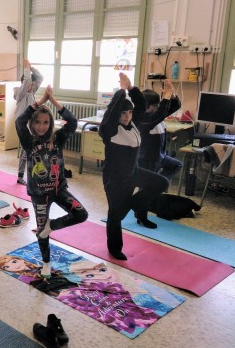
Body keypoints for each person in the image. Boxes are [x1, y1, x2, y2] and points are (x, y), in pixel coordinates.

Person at [15, 85, 88, 278]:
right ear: (32, 124)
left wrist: (53, 101)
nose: (41, 126)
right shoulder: (28, 141)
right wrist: (40, 101)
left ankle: (50, 226)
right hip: (39, 195)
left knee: (81, 214)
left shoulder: (58, 139)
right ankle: (46, 262)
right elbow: (20, 121)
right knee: (42, 232)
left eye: (46, 122)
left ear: (50, 123)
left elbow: (72, 122)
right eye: (37, 122)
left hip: (59, 190)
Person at [99, 73, 169, 260]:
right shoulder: (110, 130)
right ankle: (114, 249)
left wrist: (130, 87)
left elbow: (141, 104)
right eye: (123, 113)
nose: (127, 116)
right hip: (115, 179)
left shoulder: (134, 124)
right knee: (116, 215)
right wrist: (121, 91)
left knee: (161, 183)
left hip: (133, 172)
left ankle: (134, 204)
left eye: (129, 113)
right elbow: (111, 112)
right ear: (117, 114)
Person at [138, 80, 183, 182]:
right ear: (146, 105)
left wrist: (172, 96)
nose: (158, 107)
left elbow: (175, 106)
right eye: (155, 105)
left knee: (176, 165)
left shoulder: (156, 115)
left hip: (160, 157)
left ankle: (158, 183)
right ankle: (155, 185)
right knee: (146, 185)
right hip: (148, 160)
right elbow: (160, 112)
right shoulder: (143, 119)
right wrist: (166, 97)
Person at [14, 58, 44, 185]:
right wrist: (26, 68)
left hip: (30, 125)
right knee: (26, 150)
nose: (32, 86)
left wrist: (31, 68)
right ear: (23, 83)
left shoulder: (32, 92)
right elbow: (26, 82)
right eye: (29, 84)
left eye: (33, 84)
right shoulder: (20, 93)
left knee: (29, 150)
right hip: (21, 125)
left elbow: (40, 77)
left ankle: (25, 176)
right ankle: (21, 176)